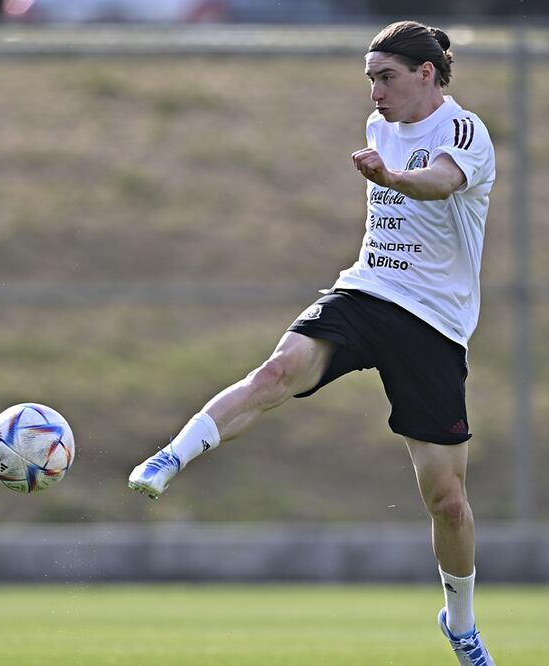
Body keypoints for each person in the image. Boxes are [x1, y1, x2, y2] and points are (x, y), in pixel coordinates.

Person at [128, 19, 496, 666]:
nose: (374, 93)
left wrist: (389, 179)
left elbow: (440, 180)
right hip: (366, 290)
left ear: (426, 74)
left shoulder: (463, 131)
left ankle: (459, 625)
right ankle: (169, 458)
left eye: (385, 78)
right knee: (278, 371)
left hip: (433, 322)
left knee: (447, 500)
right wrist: (384, 171)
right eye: (368, 80)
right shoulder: (378, 128)